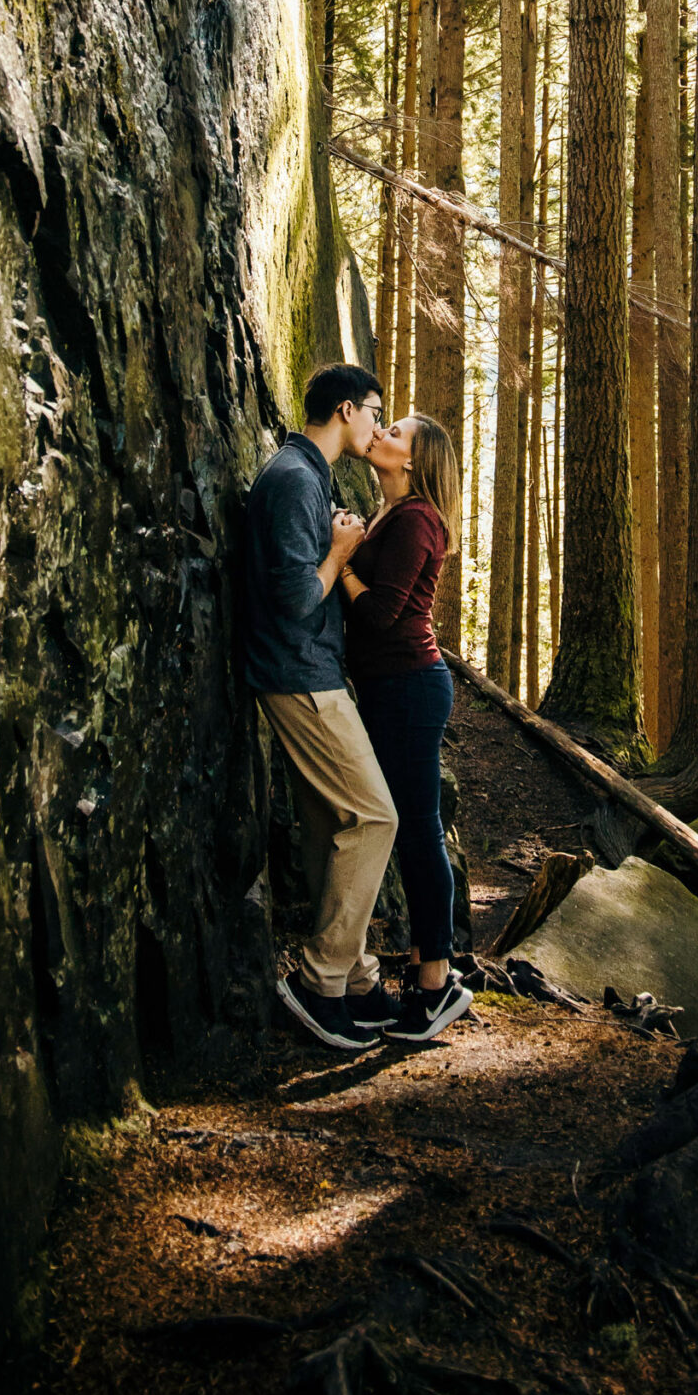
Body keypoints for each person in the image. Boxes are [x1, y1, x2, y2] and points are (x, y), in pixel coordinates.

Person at [243, 362, 400, 1054]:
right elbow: (294, 599)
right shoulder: (292, 479)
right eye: (373, 410)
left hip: (308, 668)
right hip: (297, 674)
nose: (377, 423)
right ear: (344, 409)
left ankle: (357, 980)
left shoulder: (307, 476)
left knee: (335, 825)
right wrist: (339, 552)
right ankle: (319, 980)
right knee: (374, 817)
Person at [339, 411, 474, 1045]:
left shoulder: (418, 519)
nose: (382, 434)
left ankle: (438, 981)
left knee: (419, 832)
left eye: (395, 433)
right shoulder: (390, 515)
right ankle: (426, 971)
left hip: (410, 690)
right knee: (402, 829)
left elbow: (385, 615)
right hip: (391, 689)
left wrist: (340, 565)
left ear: (413, 462)